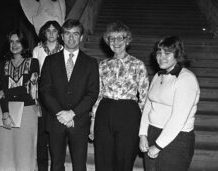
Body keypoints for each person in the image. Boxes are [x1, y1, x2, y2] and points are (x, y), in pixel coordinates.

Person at [39, 19, 99, 171]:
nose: (71, 38)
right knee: (56, 164)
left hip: (79, 121)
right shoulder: (50, 61)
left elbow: (92, 93)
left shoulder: (91, 63)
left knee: (79, 165)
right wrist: (61, 114)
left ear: (81, 37)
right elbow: (45, 90)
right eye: (67, 34)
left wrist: (72, 113)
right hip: (55, 119)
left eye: (75, 34)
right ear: (61, 36)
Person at [90, 21, 149, 171]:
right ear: (107, 42)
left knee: (124, 159)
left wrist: (143, 129)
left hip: (129, 113)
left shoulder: (138, 65)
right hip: (105, 111)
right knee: (103, 159)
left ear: (127, 40)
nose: (116, 42)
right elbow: (97, 95)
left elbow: (144, 97)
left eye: (120, 38)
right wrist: (92, 122)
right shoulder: (102, 65)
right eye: (112, 38)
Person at [139, 36, 200, 171]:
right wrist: (143, 134)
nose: (162, 57)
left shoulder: (186, 79)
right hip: (152, 131)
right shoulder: (158, 75)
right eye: (159, 53)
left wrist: (159, 145)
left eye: (167, 53)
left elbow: (178, 119)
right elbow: (148, 106)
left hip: (177, 138)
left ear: (177, 55)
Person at [0, 29, 39, 171]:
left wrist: (5, 92)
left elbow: (30, 91)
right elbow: (0, 96)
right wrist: (5, 114)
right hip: (5, 111)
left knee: (26, 153)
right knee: (4, 152)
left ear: (24, 43)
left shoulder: (33, 63)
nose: (14, 45)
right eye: (11, 42)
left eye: (18, 41)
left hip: (27, 112)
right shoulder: (2, 65)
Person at [33, 20, 63, 171]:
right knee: (41, 137)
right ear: (44, 33)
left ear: (59, 33)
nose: (51, 34)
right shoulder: (37, 50)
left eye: (54, 31)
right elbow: (32, 79)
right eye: (48, 31)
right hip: (41, 97)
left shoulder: (64, 50)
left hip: (58, 99)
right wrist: (35, 101)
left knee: (57, 137)